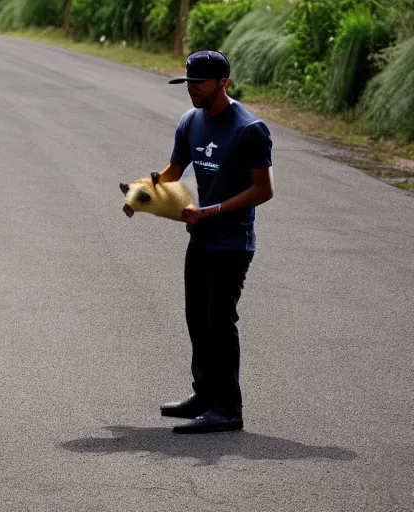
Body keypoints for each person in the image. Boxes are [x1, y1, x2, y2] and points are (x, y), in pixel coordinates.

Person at [154, 49, 275, 434]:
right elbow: (173, 172)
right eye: (187, 82)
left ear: (223, 83)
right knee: (197, 320)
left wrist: (211, 212)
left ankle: (228, 408)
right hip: (202, 239)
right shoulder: (191, 122)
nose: (191, 90)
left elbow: (263, 190)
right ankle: (204, 395)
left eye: (199, 83)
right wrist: (142, 192)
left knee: (220, 323)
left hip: (232, 242)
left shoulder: (249, 130)